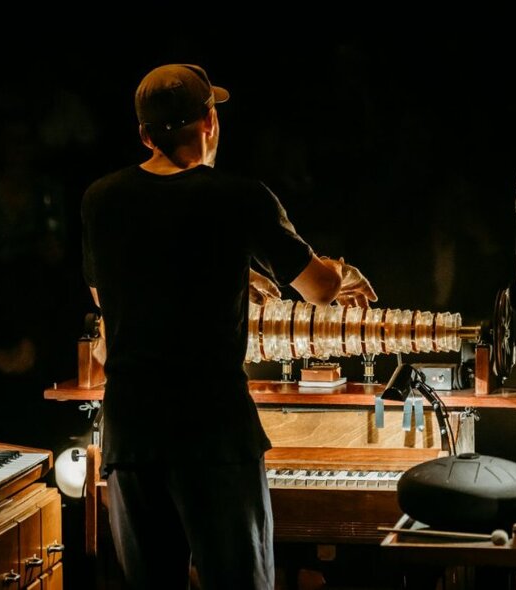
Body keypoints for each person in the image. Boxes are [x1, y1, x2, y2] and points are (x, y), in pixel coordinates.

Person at [80, 63, 377, 589]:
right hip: (212, 431)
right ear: (210, 122)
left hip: (131, 432)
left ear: (145, 134)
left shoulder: (102, 199)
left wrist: (231, 275)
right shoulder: (238, 196)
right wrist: (343, 271)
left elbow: (109, 296)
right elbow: (319, 289)